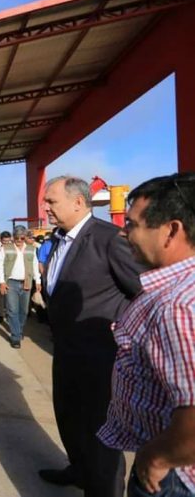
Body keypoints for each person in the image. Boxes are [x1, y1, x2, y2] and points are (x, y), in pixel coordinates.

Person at [39, 176, 143, 497]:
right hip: (66, 350)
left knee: (100, 434)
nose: (46, 208)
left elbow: (143, 292)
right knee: (69, 418)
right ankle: (78, 470)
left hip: (101, 358)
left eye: (51, 201)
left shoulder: (109, 239)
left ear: (78, 202)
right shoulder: (59, 239)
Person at [98, 173, 195, 497]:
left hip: (171, 476)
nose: (123, 233)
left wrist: (157, 457)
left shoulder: (177, 306)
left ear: (172, 230)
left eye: (132, 224)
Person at [0, 226, 41, 348]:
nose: (19, 240)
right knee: (12, 310)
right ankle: (15, 336)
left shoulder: (31, 249)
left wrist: (38, 281)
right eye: (17, 238)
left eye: (22, 238)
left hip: (27, 283)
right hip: (11, 283)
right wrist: (2, 282)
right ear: (13, 237)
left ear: (25, 237)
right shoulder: (5, 248)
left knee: (24, 311)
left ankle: (19, 330)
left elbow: (35, 265)